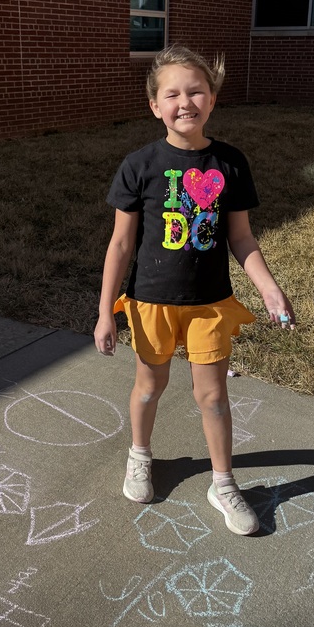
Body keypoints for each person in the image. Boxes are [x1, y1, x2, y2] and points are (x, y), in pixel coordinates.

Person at [94, 44, 295, 535]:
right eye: (173, 94)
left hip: (209, 306)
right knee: (149, 386)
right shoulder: (139, 165)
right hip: (149, 304)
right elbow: (121, 244)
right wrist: (105, 312)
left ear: (212, 99)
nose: (186, 102)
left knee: (214, 397)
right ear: (155, 105)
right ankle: (140, 456)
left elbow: (241, 237)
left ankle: (222, 482)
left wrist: (268, 288)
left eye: (197, 91)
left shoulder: (230, 163)